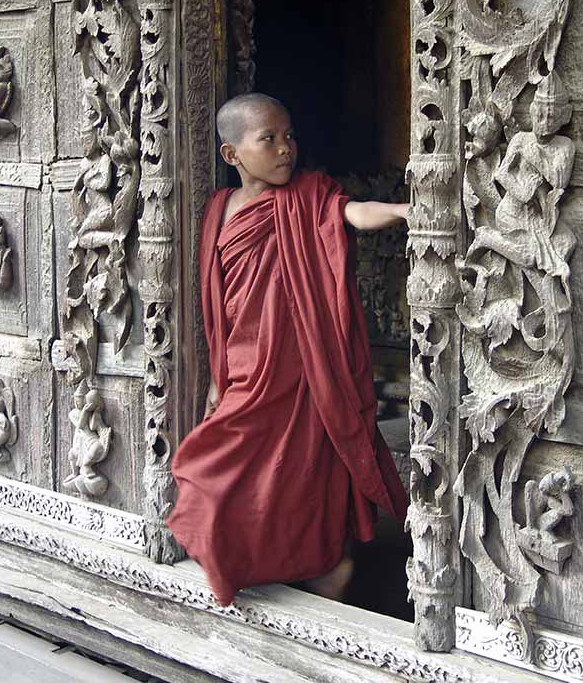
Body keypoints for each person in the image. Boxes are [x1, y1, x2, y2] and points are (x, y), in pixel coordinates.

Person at [167, 93, 409, 606]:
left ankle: (326, 569)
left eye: (289, 136)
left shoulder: (306, 197)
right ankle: (241, 562)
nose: (285, 149)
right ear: (233, 155)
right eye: (269, 139)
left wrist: (405, 210)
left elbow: (352, 214)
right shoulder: (218, 210)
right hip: (244, 371)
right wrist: (217, 374)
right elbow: (215, 301)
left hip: (304, 375)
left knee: (305, 483)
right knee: (209, 472)